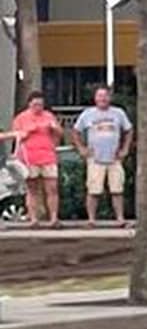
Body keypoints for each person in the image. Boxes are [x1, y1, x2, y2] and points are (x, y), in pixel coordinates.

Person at [71, 86, 134, 227]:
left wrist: (125, 148)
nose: (102, 99)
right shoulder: (88, 114)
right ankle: (91, 220)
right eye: (99, 96)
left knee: (117, 189)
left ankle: (120, 219)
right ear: (95, 98)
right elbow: (75, 132)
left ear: (110, 98)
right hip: (95, 158)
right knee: (94, 190)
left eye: (105, 96)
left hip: (114, 158)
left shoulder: (118, 113)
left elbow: (129, 130)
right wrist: (81, 148)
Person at [3, 91, 64, 228]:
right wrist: (27, 132)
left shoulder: (48, 116)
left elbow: (60, 133)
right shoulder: (21, 118)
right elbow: (16, 137)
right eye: (35, 104)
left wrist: (55, 128)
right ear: (29, 104)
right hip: (29, 157)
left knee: (52, 188)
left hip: (48, 156)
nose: (38, 107)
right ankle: (34, 219)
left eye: (41, 105)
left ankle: (54, 218)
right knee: (32, 189)